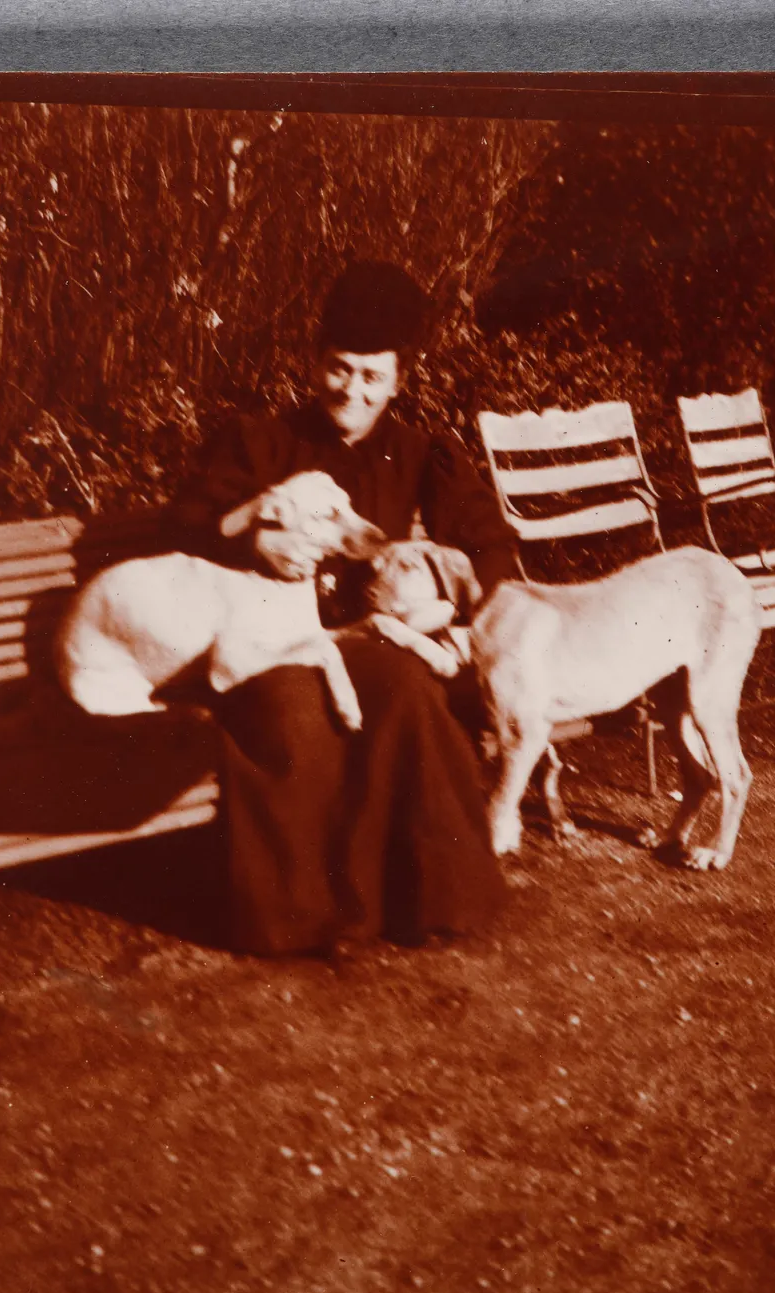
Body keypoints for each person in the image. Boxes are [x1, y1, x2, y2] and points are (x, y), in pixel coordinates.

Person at [170, 261, 518, 956]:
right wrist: (256, 542)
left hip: (366, 638)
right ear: (315, 362)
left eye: (371, 376)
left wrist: (450, 615)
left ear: (398, 381)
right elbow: (186, 525)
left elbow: (490, 547)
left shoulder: (422, 454)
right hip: (268, 642)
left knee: (406, 688)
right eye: (339, 368)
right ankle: (310, 921)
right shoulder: (260, 442)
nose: (351, 390)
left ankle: (430, 901)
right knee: (296, 711)